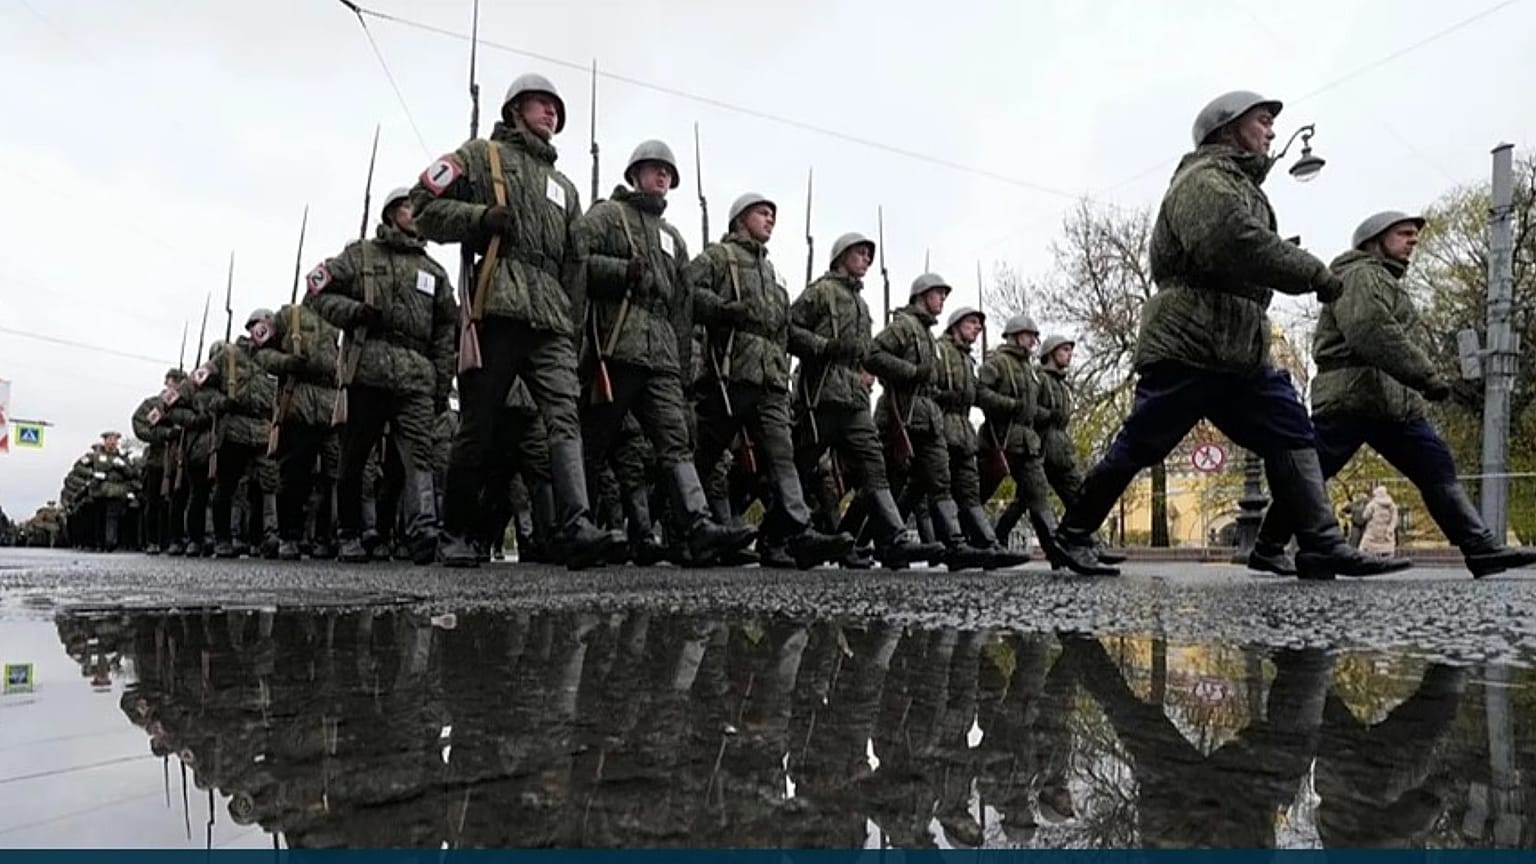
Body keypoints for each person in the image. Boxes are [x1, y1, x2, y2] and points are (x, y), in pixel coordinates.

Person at [1050, 90, 1411, 580]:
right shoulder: (1203, 180)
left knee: (1291, 428)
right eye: (1262, 121)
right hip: (1191, 344)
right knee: (1142, 443)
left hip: (1238, 353)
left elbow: (1247, 247)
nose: (1272, 131)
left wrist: (1279, 261)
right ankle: (1072, 534)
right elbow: (1235, 242)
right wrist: (1312, 272)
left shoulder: (1241, 186)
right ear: (1227, 129)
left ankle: (1319, 544)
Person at [1247, 211, 1536, 578]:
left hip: (1392, 402)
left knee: (1434, 465)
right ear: (1373, 241)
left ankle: (1480, 549)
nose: (1412, 242)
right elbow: (1373, 331)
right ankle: (1270, 547)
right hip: (1352, 397)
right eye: (1403, 235)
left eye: (1414, 237)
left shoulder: (1383, 280)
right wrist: (1425, 376)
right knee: (1311, 472)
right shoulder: (1360, 274)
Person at [409, 72, 613, 569]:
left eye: (555, 108)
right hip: (497, 304)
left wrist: (572, 319)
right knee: (479, 422)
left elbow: (576, 264)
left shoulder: (564, 186)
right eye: (541, 104)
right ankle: (456, 530)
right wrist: (478, 219)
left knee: (564, 417)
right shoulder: (482, 156)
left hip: (551, 318)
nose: (551, 114)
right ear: (514, 109)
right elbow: (423, 206)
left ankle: (576, 524)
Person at [569, 140, 755, 564]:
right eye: (655, 169)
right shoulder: (609, 215)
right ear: (635, 173)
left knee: (675, 442)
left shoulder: (673, 238)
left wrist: (684, 367)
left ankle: (697, 522)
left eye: (667, 173)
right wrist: (618, 272)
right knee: (594, 443)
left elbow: (683, 308)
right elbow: (575, 257)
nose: (662, 177)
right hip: (617, 348)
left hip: (662, 361)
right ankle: (578, 527)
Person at [687, 190, 853, 568]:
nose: (770, 220)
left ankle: (797, 531)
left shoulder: (772, 272)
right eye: (762, 213)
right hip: (728, 377)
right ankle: (684, 525)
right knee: (705, 457)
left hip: (771, 381)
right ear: (740, 218)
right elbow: (687, 291)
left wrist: (823, 347)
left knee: (783, 456)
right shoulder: (719, 256)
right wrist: (722, 310)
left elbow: (785, 330)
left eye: (772, 215)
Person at [304, 186, 457, 564]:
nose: (413, 213)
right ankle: (350, 532)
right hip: (369, 368)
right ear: (391, 214)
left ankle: (423, 530)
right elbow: (315, 289)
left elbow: (445, 331)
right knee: (355, 455)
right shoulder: (361, 255)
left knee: (419, 456)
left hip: (417, 375)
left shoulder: (434, 270)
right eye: (407, 207)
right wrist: (352, 312)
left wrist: (441, 381)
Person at [790, 237, 941, 570]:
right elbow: (790, 330)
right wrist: (824, 345)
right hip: (822, 396)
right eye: (861, 253)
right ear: (841, 256)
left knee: (875, 466)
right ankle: (782, 537)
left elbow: (869, 355)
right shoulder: (820, 292)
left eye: (869, 256)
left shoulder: (861, 304)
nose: (866, 260)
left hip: (854, 400)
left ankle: (896, 539)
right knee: (801, 466)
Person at [868, 273, 994, 570]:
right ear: (921, 295)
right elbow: (873, 354)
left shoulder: (927, 336)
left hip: (930, 420)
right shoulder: (905, 327)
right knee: (891, 480)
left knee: (941, 482)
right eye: (937, 293)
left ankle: (956, 545)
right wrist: (910, 372)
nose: (942, 299)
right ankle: (881, 542)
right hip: (903, 414)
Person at [936, 306, 1030, 567]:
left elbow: (979, 395)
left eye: (979, 325)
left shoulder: (968, 360)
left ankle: (986, 544)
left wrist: (1003, 400)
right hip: (940, 427)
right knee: (922, 488)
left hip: (963, 432)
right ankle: (874, 540)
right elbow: (928, 386)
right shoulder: (939, 351)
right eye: (971, 323)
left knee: (968, 491)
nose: (977, 328)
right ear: (955, 325)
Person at [248, 303, 341, 561]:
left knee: (333, 476)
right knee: (295, 473)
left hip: (332, 405)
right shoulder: (290, 315)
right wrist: (286, 362)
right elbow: (260, 352)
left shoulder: (336, 320)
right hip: (299, 402)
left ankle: (326, 537)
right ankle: (289, 535)